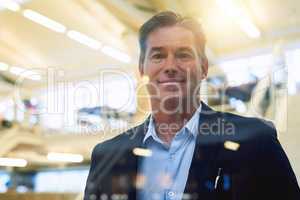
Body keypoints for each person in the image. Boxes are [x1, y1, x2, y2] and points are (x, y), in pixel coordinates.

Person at [84, 11, 300, 200]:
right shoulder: (107, 156)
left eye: (183, 55)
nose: (170, 66)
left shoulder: (255, 141)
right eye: (158, 55)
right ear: (142, 69)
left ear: (204, 68)